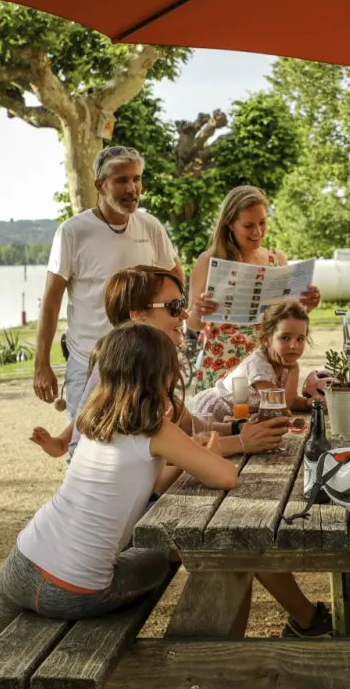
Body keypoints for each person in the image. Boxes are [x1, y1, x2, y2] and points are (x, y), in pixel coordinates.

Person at [0, 323, 235, 689]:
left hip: (24, 560)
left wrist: (186, 457)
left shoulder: (95, 418)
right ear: (160, 375)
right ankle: (209, 676)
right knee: (169, 552)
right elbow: (226, 477)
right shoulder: (158, 429)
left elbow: (153, 480)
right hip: (78, 589)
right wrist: (207, 452)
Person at [32, 266, 290, 461]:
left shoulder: (142, 365)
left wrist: (239, 427)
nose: (186, 313)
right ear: (139, 317)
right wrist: (242, 441)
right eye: (175, 306)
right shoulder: (126, 374)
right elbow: (162, 460)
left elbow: (187, 423)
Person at [33, 146, 182, 418]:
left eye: (136, 179)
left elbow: (175, 278)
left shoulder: (150, 226)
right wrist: (41, 363)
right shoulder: (72, 232)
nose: (132, 188)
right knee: (81, 445)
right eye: (122, 180)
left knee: (145, 441)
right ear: (100, 186)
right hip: (89, 360)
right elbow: (52, 301)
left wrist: (170, 327)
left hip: (143, 360)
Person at [187, 186, 321, 389]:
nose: (258, 232)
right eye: (248, 225)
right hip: (221, 369)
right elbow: (192, 324)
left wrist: (306, 306)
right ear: (229, 224)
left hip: (268, 369)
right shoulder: (208, 261)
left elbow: (286, 320)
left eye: (262, 222)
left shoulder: (277, 259)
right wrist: (198, 311)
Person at [189, 300, 318, 422]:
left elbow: (290, 400)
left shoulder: (283, 362)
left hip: (235, 417)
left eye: (300, 339)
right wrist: (294, 370)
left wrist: (308, 403)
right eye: (285, 338)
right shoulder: (258, 365)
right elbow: (279, 407)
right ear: (266, 340)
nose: (293, 346)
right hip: (210, 414)